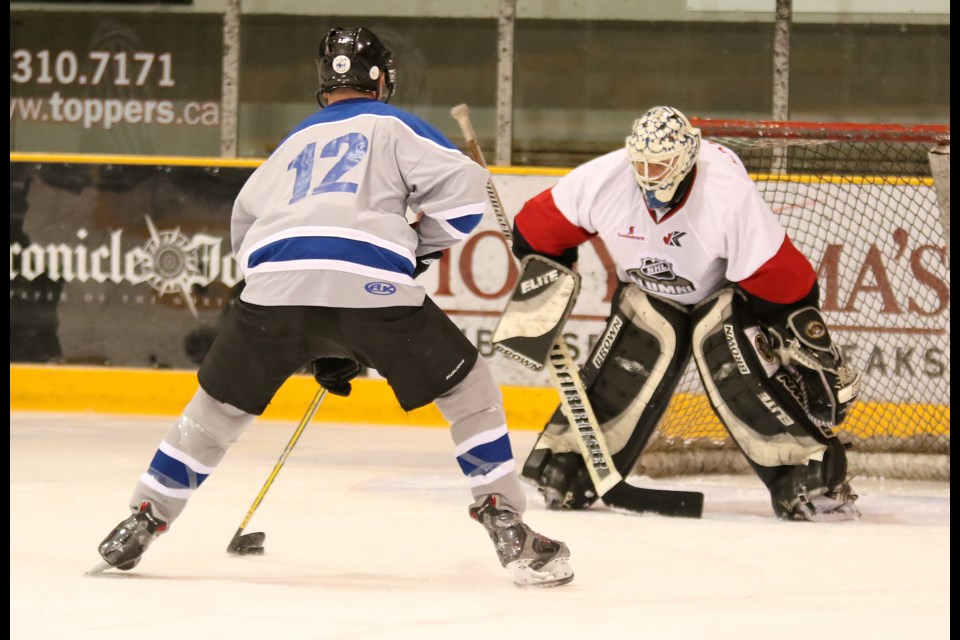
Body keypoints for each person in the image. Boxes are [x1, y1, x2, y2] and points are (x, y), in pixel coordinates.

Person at [95, 26, 573, 588]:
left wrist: (303, 315)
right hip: (370, 288)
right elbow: (466, 191)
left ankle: (143, 518)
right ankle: (504, 518)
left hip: (270, 290)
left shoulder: (292, 142)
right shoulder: (393, 124)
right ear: (379, 77)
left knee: (215, 412)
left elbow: (245, 225)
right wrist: (411, 251)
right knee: (469, 393)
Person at [511, 106, 863, 522]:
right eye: (640, 162)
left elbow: (781, 281)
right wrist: (546, 275)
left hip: (724, 293)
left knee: (722, 343)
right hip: (647, 289)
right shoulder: (604, 179)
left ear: (685, 159)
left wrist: (800, 334)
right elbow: (535, 229)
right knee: (643, 328)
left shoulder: (726, 195)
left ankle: (808, 472)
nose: (647, 174)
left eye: (659, 165)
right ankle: (570, 462)